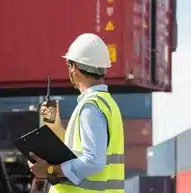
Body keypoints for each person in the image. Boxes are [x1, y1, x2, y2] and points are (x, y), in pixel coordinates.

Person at [28, 33, 125, 193]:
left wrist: (49, 170)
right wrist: (56, 127)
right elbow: (84, 154)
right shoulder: (106, 104)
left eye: (69, 65)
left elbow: (93, 161)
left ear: (75, 68)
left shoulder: (91, 107)